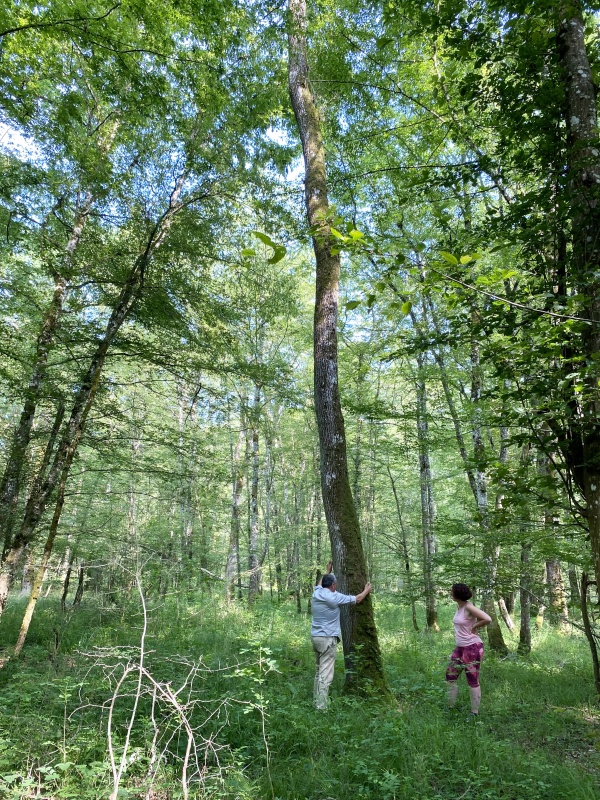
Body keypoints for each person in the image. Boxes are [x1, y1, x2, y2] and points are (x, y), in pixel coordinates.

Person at [311, 560, 372, 710]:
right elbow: (357, 599)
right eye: (335, 584)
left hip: (316, 638)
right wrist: (366, 590)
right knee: (325, 675)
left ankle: (316, 701)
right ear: (332, 586)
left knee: (319, 672)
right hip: (327, 639)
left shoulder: (317, 592)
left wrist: (327, 570)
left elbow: (320, 582)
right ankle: (321, 707)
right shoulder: (333, 597)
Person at [445, 583, 492, 717]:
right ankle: (450, 707)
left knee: (472, 679)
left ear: (457, 594)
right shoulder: (459, 606)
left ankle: (474, 712)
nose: (450, 593)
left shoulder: (469, 606)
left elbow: (487, 618)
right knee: (450, 676)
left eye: (452, 591)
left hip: (472, 647)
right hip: (460, 648)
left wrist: (474, 627)